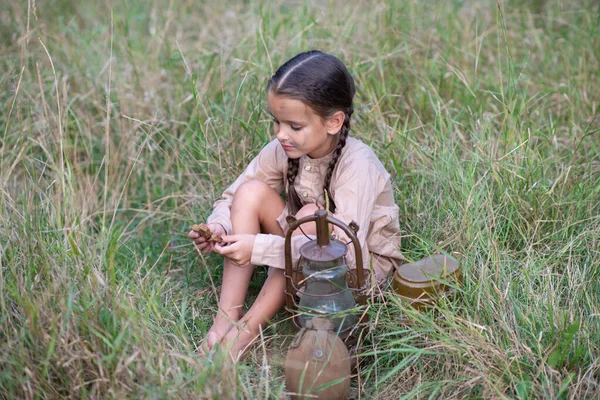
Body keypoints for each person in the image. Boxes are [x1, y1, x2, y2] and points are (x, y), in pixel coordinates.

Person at [189, 50, 405, 361]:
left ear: (333, 122)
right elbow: (233, 195)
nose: (280, 134)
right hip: (303, 253)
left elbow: (340, 248)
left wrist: (258, 247)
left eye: (294, 126)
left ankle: (244, 334)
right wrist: (220, 226)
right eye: (276, 122)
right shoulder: (284, 148)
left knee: (306, 217)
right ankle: (225, 318)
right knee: (251, 192)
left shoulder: (358, 163)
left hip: (355, 275)